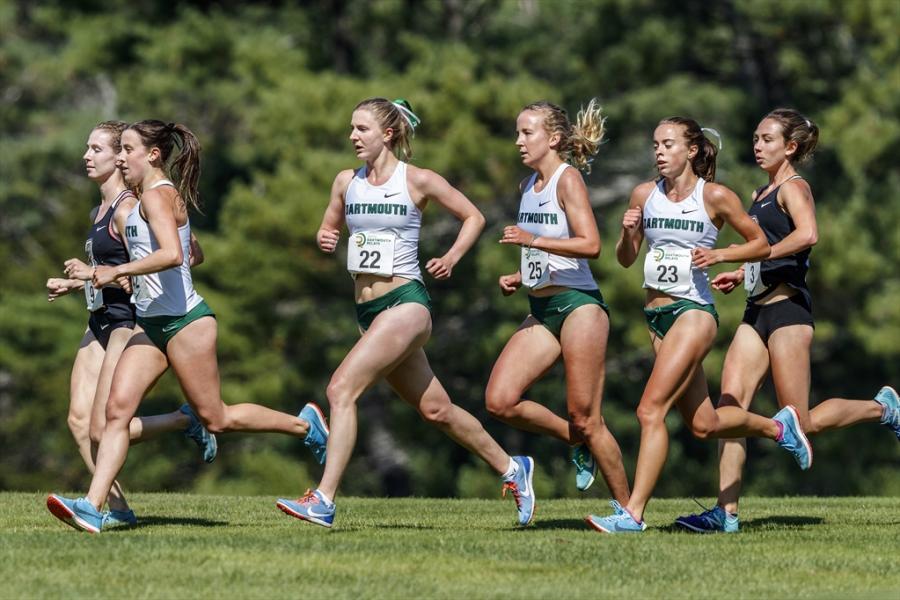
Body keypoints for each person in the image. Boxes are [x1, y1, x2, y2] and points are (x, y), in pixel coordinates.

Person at [46, 120, 329, 533]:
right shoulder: (145, 198)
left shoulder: (159, 196)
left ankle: (304, 424)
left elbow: (174, 254)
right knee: (115, 413)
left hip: (186, 324)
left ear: (152, 155)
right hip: (152, 325)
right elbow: (194, 251)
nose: (121, 158)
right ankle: (93, 506)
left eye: (126, 150)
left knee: (216, 418)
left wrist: (112, 271)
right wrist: (126, 274)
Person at [275, 98, 535, 529]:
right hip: (369, 313)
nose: (353, 137)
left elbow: (473, 216)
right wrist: (325, 236)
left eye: (361, 129)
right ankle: (513, 469)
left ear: (387, 134)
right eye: (352, 129)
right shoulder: (346, 181)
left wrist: (450, 257)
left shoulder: (418, 180)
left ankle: (323, 499)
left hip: (406, 304)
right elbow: (330, 225)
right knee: (436, 410)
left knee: (341, 389)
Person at [674, 109, 900, 533]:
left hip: (788, 312)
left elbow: (806, 235)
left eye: (767, 139)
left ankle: (883, 409)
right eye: (756, 139)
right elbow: (770, 249)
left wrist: (740, 255)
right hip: (755, 310)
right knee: (730, 407)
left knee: (804, 418)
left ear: (790, 147)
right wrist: (741, 273)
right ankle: (725, 514)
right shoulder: (761, 192)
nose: (757, 146)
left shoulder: (795, 187)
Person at [584, 117, 798, 534]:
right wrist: (629, 235)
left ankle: (633, 514)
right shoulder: (644, 194)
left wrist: (719, 257)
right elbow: (626, 259)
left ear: (692, 150)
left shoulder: (714, 196)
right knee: (704, 424)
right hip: (656, 317)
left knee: (650, 410)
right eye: (655, 144)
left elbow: (761, 243)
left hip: (693, 314)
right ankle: (777, 426)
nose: (659, 152)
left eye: (668, 144)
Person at [45, 121, 216, 528]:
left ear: (120, 160)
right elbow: (105, 270)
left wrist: (130, 274)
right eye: (89, 148)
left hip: (128, 321)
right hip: (98, 318)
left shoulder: (129, 206)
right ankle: (116, 507)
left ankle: (180, 422)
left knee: (104, 425)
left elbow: (189, 253)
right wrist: (76, 282)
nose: (88, 156)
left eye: (98, 149)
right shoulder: (98, 210)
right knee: (77, 420)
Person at [485, 99, 629, 503]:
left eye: (526, 133)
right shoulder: (526, 186)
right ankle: (576, 442)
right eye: (517, 132)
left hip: (579, 305)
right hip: (541, 307)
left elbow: (591, 244)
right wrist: (521, 274)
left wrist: (532, 240)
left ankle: (628, 511)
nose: (518, 141)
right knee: (500, 400)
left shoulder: (568, 181)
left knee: (587, 416)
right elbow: (547, 253)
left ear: (553, 138)